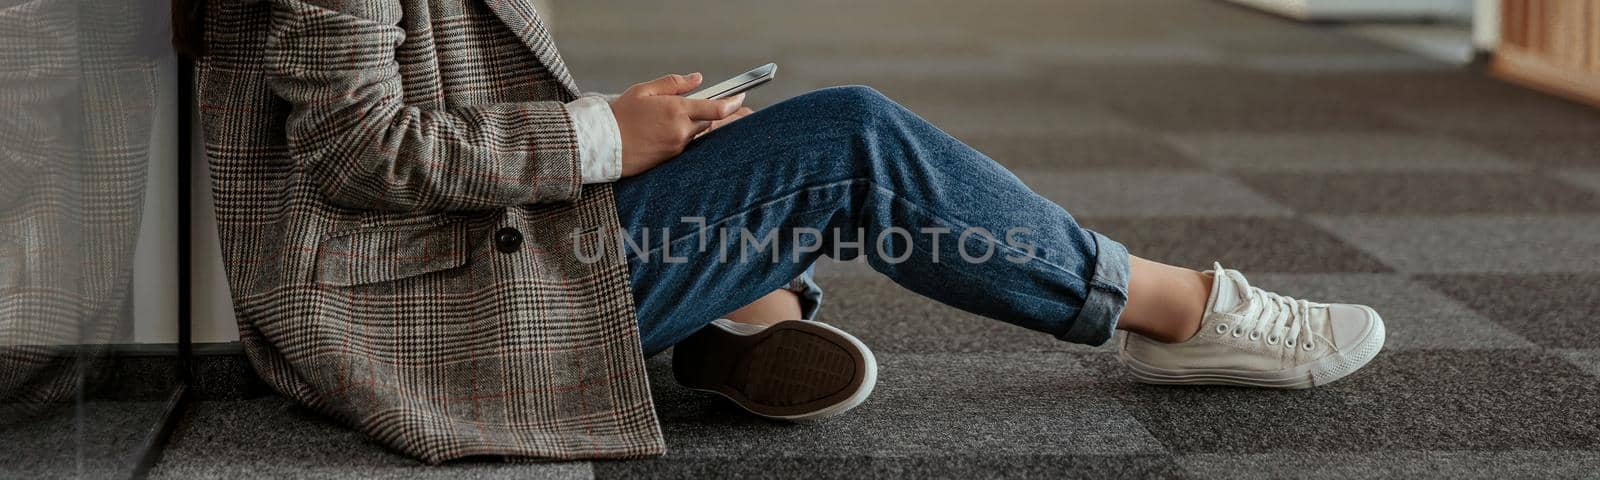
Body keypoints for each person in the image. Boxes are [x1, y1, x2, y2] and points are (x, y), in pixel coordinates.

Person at [178, 0, 1385, 464]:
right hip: (415, 311)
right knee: (853, 141)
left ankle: (736, 326)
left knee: (755, 158)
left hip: (454, 255)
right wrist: (600, 138)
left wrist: (631, 131)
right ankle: (1184, 314)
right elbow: (357, 149)